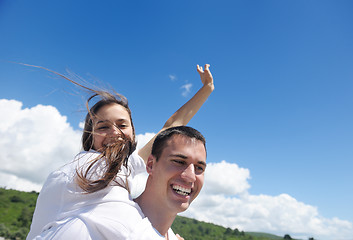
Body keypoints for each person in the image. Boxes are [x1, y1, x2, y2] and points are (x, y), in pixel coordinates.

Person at [27, 64, 214, 240]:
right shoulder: (85, 168)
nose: (114, 132)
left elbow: (170, 126)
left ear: (132, 132)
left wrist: (207, 88)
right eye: (103, 127)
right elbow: (123, 223)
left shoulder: (123, 168)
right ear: (89, 137)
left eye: (122, 125)